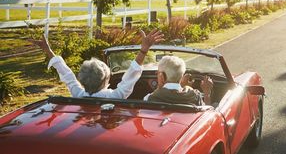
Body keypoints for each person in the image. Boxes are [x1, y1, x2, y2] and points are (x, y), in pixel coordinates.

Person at [29, 29, 164, 99]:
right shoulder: (115, 96)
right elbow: (131, 75)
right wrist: (144, 49)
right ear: (107, 80)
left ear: (81, 80)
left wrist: (48, 50)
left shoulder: (78, 94)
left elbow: (67, 74)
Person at [143, 55, 213, 106]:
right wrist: (207, 93)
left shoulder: (150, 99)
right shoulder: (195, 96)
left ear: (161, 76)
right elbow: (206, 112)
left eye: (157, 73)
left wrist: (159, 85)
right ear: (182, 75)